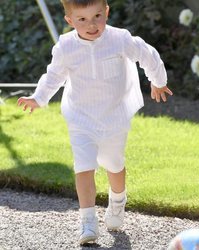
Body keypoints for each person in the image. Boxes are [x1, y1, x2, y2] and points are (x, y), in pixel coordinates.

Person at [17, 0, 173, 246]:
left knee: (114, 164)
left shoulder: (119, 39)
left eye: (97, 16)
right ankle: (88, 221)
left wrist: (157, 80)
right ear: (70, 21)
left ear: (107, 12)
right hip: (81, 118)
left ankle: (118, 201)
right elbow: (54, 75)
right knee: (84, 166)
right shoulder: (66, 46)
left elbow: (146, 53)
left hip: (114, 116)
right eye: (82, 19)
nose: (91, 25)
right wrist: (38, 97)